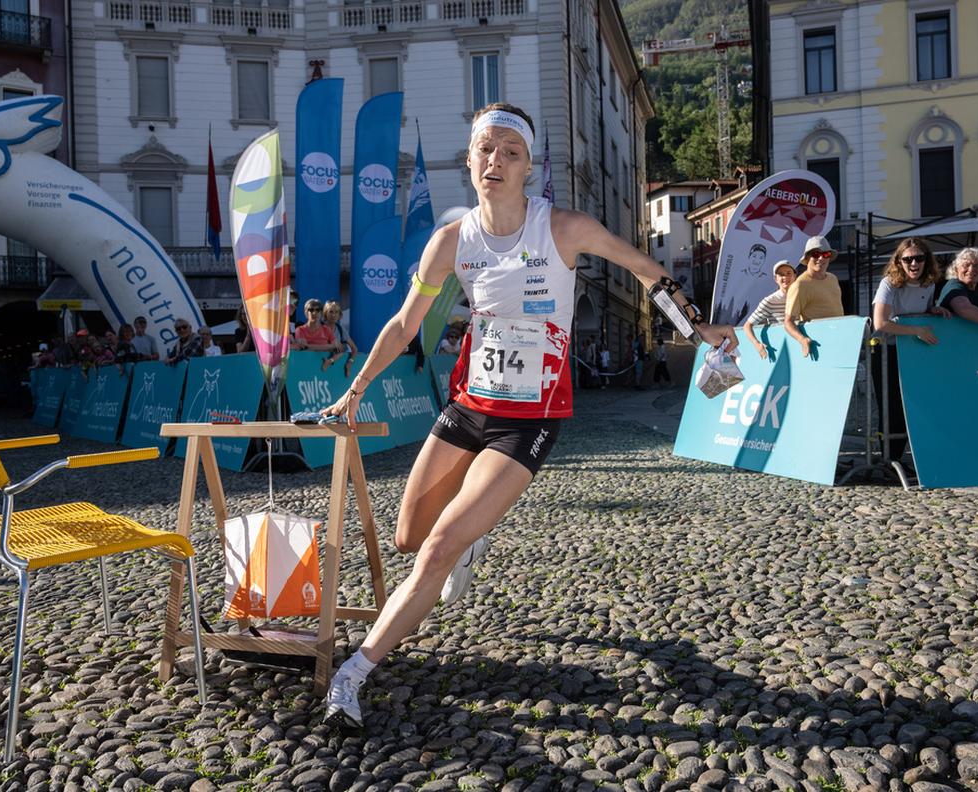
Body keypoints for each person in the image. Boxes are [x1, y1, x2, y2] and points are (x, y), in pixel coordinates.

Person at [316, 102, 736, 729]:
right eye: (486, 148)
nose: (496, 160)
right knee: (408, 537)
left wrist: (698, 328)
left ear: (528, 168)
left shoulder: (563, 229)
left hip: (529, 418)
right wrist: (355, 391)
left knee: (436, 549)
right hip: (469, 405)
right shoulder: (450, 243)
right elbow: (405, 325)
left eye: (510, 152)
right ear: (469, 160)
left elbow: (645, 268)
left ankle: (354, 674)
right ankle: (469, 540)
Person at [872, 239, 948, 465]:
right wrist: (917, 330)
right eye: (908, 259)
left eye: (919, 258)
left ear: (926, 260)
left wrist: (933, 310)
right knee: (891, 408)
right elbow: (880, 323)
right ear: (899, 262)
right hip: (886, 352)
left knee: (915, 406)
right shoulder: (889, 283)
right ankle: (889, 461)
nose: (914, 263)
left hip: (912, 352)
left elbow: (920, 311)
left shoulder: (929, 284)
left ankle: (909, 459)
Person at [783, 236, 844, 358]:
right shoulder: (800, 285)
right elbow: (788, 322)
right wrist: (802, 340)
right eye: (816, 254)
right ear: (807, 258)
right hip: (818, 347)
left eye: (826, 254)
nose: (821, 258)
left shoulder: (833, 279)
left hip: (838, 342)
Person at [743, 259, 797, 359]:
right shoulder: (770, 301)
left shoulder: (803, 295)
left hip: (801, 346)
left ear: (795, 276)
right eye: (781, 274)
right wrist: (757, 344)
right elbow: (747, 325)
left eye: (788, 273)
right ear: (776, 279)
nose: (785, 277)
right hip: (782, 350)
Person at [321, 301, 357, 374]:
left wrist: (349, 362)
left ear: (340, 315)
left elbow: (354, 348)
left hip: (333, 372)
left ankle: (329, 361)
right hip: (316, 363)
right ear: (325, 314)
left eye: (336, 312)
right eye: (331, 312)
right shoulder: (319, 327)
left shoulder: (340, 329)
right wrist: (334, 345)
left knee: (344, 347)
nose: (333, 315)